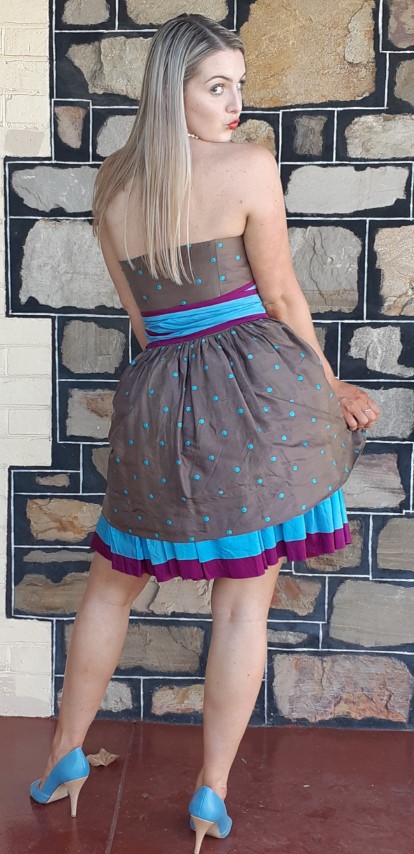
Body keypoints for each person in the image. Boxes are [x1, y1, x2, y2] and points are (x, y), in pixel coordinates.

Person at [29, 13, 380, 853]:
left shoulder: (113, 184)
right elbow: (283, 298)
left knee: (110, 583)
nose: (235, 104)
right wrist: (330, 385)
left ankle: (63, 754)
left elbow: (143, 324)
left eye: (238, 87)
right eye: (217, 87)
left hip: (156, 395)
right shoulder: (249, 166)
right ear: (171, 90)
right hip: (255, 395)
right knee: (243, 603)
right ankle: (210, 794)